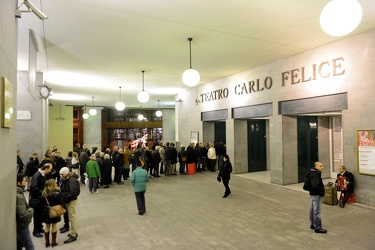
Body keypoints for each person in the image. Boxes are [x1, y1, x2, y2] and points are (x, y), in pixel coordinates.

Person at [29, 163, 53, 238]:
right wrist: (42, 193)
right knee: (37, 216)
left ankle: (39, 228)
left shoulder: (42, 175)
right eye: (50, 169)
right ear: (46, 169)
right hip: (36, 199)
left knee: (40, 215)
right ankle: (36, 231)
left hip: (39, 199)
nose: (50, 171)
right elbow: (33, 187)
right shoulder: (38, 175)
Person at [59, 167, 80, 244]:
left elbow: (73, 192)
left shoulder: (71, 180)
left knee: (72, 218)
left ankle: (74, 235)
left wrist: (64, 195)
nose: (60, 176)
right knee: (71, 217)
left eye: (62, 174)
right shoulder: (69, 178)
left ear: (66, 173)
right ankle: (73, 232)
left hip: (71, 200)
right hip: (69, 199)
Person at [306, 162, 327, 234]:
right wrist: (321, 191)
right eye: (320, 166)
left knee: (312, 209)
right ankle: (318, 227)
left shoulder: (312, 172)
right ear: (316, 167)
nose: (322, 167)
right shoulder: (315, 174)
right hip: (316, 194)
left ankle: (312, 224)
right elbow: (315, 185)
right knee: (317, 211)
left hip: (313, 194)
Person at [42, 179, 64, 247]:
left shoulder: (44, 193)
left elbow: (42, 203)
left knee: (47, 226)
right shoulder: (57, 193)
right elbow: (61, 202)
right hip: (55, 211)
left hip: (46, 212)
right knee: (54, 226)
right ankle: (53, 242)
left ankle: (47, 242)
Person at [16, 173, 35, 250]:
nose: (25, 182)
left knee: (19, 246)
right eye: (24, 181)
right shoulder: (19, 196)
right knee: (30, 246)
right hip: (22, 226)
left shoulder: (18, 193)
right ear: (18, 183)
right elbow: (22, 215)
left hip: (18, 226)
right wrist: (31, 210)